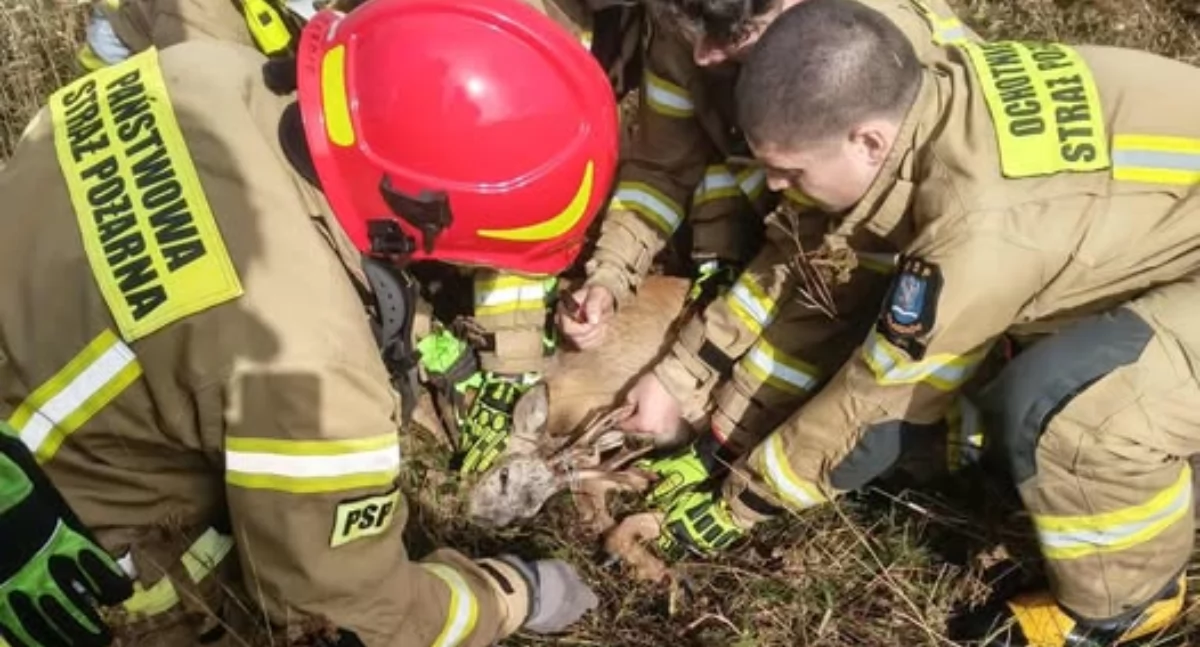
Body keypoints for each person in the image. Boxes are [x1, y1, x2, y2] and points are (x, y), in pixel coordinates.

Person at [0, 0, 619, 645]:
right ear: (421, 217)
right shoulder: (313, 368)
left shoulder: (200, 69)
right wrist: (510, 594)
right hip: (64, 554)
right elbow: (351, 617)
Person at [652, 0, 1200, 643]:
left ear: (868, 141)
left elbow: (878, 404)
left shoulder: (977, 228)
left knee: (1068, 413)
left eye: (790, 170)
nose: (775, 186)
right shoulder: (945, 97)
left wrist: (744, 500)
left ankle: (1128, 601)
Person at [74, 0, 645, 477]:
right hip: (173, 113)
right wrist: (415, 337)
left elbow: (495, 173)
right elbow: (345, 202)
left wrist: (510, 365)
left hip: (301, 68)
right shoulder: (209, 64)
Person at [561, 0, 987, 527]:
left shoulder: (867, 64)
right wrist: (609, 273)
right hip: (796, 216)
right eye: (688, 30)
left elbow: (820, 279)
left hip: (903, 259)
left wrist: (707, 414)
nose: (701, 52)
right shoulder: (694, 23)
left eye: (729, 36)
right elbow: (661, 166)